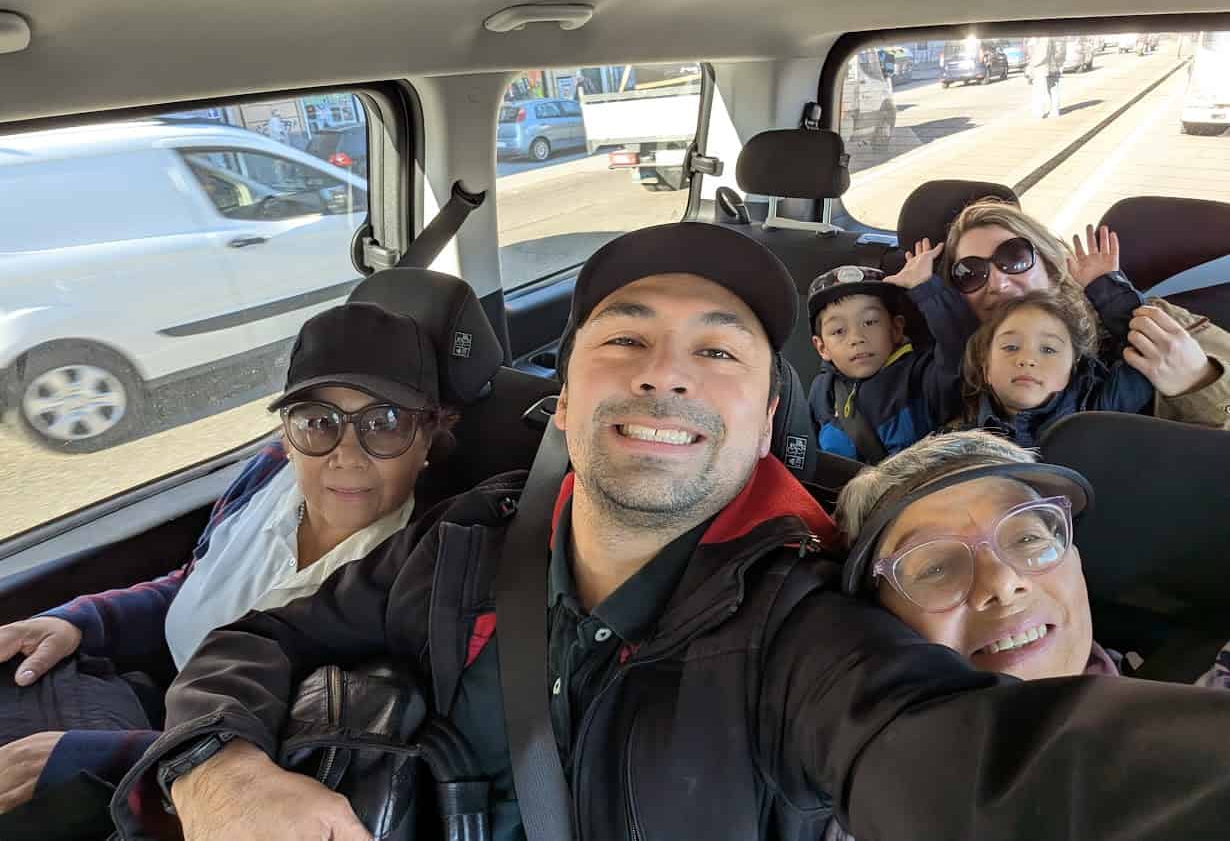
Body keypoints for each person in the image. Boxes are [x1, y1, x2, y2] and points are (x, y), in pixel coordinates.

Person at [111, 221, 1230, 841]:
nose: (664, 374)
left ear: (764, 423)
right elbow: (256, 641)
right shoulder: (461, 538)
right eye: (624, 338)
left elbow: (999, 772)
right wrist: (214, 765)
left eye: (720, 352)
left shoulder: (808, 627)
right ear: (566, 393)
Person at [0, 302, 457, 819]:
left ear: (429, 438)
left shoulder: (423, 572)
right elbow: (196, 582)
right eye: (316, 421)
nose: (346, 453)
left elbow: (299, 774)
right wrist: (82, 622)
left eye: (385, 423)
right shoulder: (267, 478)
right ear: (286, 435)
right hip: (133, 704)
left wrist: (99, 757)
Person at [827, 429, 1230, 840]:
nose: (1003, 582)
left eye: (1027, 538)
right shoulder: (858, 810)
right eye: (935, 568)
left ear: (1076, 562)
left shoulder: (1209, 684)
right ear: (878, 622)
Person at [942, 199, 1230, 428]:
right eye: (970, 273)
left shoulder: (1154, 323)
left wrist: (1199, 383)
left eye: (1013, 257)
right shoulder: (959, 366)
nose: (997, 283)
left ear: (1051, 266)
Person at [805, 243, 967, 462]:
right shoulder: (822, 392)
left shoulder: (920, 377)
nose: (856, 338)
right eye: (839, 331)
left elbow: (959, 348)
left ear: (896, 329)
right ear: (822, 347)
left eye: (870, 322)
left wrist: (925, 287)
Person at [959, 290, 1154, 446]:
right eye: (1011, 347)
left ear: (1073, 366)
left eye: (1048, 349)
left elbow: (1148, 351)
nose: (1027, 359)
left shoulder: (1101, 410)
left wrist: (1104, 287)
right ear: (986, 369)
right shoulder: (965, 443)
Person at [1025, 36, 1062, 118]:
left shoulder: (1044, 39)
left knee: (1041, 91)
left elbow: (1042, 55)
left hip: (1043, 68)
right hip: (1046, 67)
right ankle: (1051, 111)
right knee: (1047, 90)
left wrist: (1032, 65)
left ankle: (1041, 112)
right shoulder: (1039, 38)